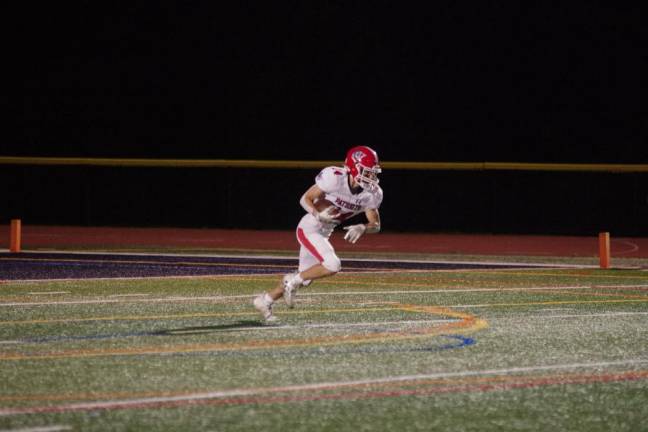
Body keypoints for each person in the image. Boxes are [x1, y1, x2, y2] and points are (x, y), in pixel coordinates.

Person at [253, 146, 383, 322]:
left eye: (372, 173)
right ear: (353, 166)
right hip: (310, 227)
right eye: (367, 172)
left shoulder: (371, 194)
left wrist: (363, 227)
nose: (371, 177)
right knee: (332, 265)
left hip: (325, 232)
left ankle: (265, 300)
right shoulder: (335, 178)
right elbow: (304, 198)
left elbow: (376, 225)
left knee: (306, 277)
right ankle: (291, 283)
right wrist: (317, 214)